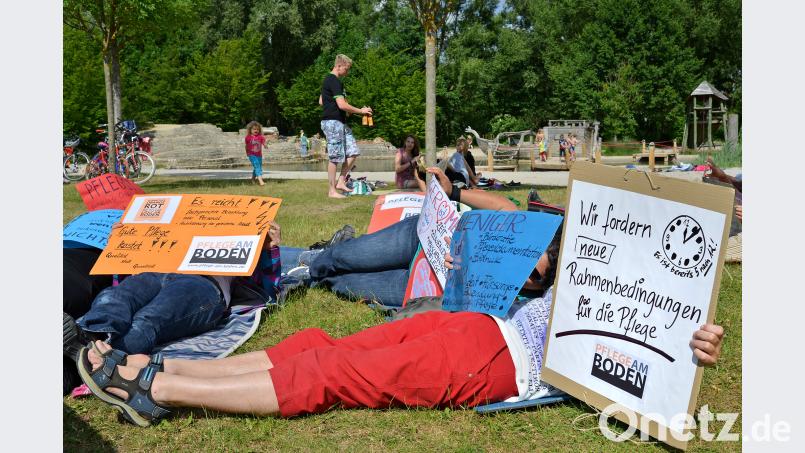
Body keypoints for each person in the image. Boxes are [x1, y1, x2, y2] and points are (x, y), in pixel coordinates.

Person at [76, 218, 726, 425]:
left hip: (500, 365)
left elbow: (654, 377)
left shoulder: (669, 314)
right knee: (319, 341)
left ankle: (158, 389)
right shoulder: (605, 261)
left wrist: (692, 344)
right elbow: (535, 250)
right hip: (479, 327)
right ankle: (175, 365)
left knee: (335, 371)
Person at [63, 222, 283, 358]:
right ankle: (88, 335)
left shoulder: (237, 243)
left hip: (202, 282)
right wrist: (122, 243)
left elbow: (266, 289)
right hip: (153, 271)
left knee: (148, 319)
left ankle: (102, 356)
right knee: (113, 298)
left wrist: (269, 251)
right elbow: (119, 281)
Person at [319, 54, 373, 199]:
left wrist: (340, 108)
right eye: (346, 69)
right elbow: (342, 105)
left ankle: (341, 182)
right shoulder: (333, 80)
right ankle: (331, 191)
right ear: (339, 66)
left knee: (353, 151)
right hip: (332, 122)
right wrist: (360, 111)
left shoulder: (328, 81)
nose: (347, 73)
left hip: (339, 122)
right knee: (335, 157)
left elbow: (321, 101)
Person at [245, 121, 268, 186]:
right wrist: (247, 152)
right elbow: (246, 146)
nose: (256, 130)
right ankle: (261, 181)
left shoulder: (260, 137)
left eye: (257, 129)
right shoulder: (248, 137)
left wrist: (265, 145)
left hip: (259, 155)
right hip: (252, 155)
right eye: (254, 129)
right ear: (250, 130)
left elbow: (264, 142)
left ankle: (252, 179)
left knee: (257, 167)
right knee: (257, 166)